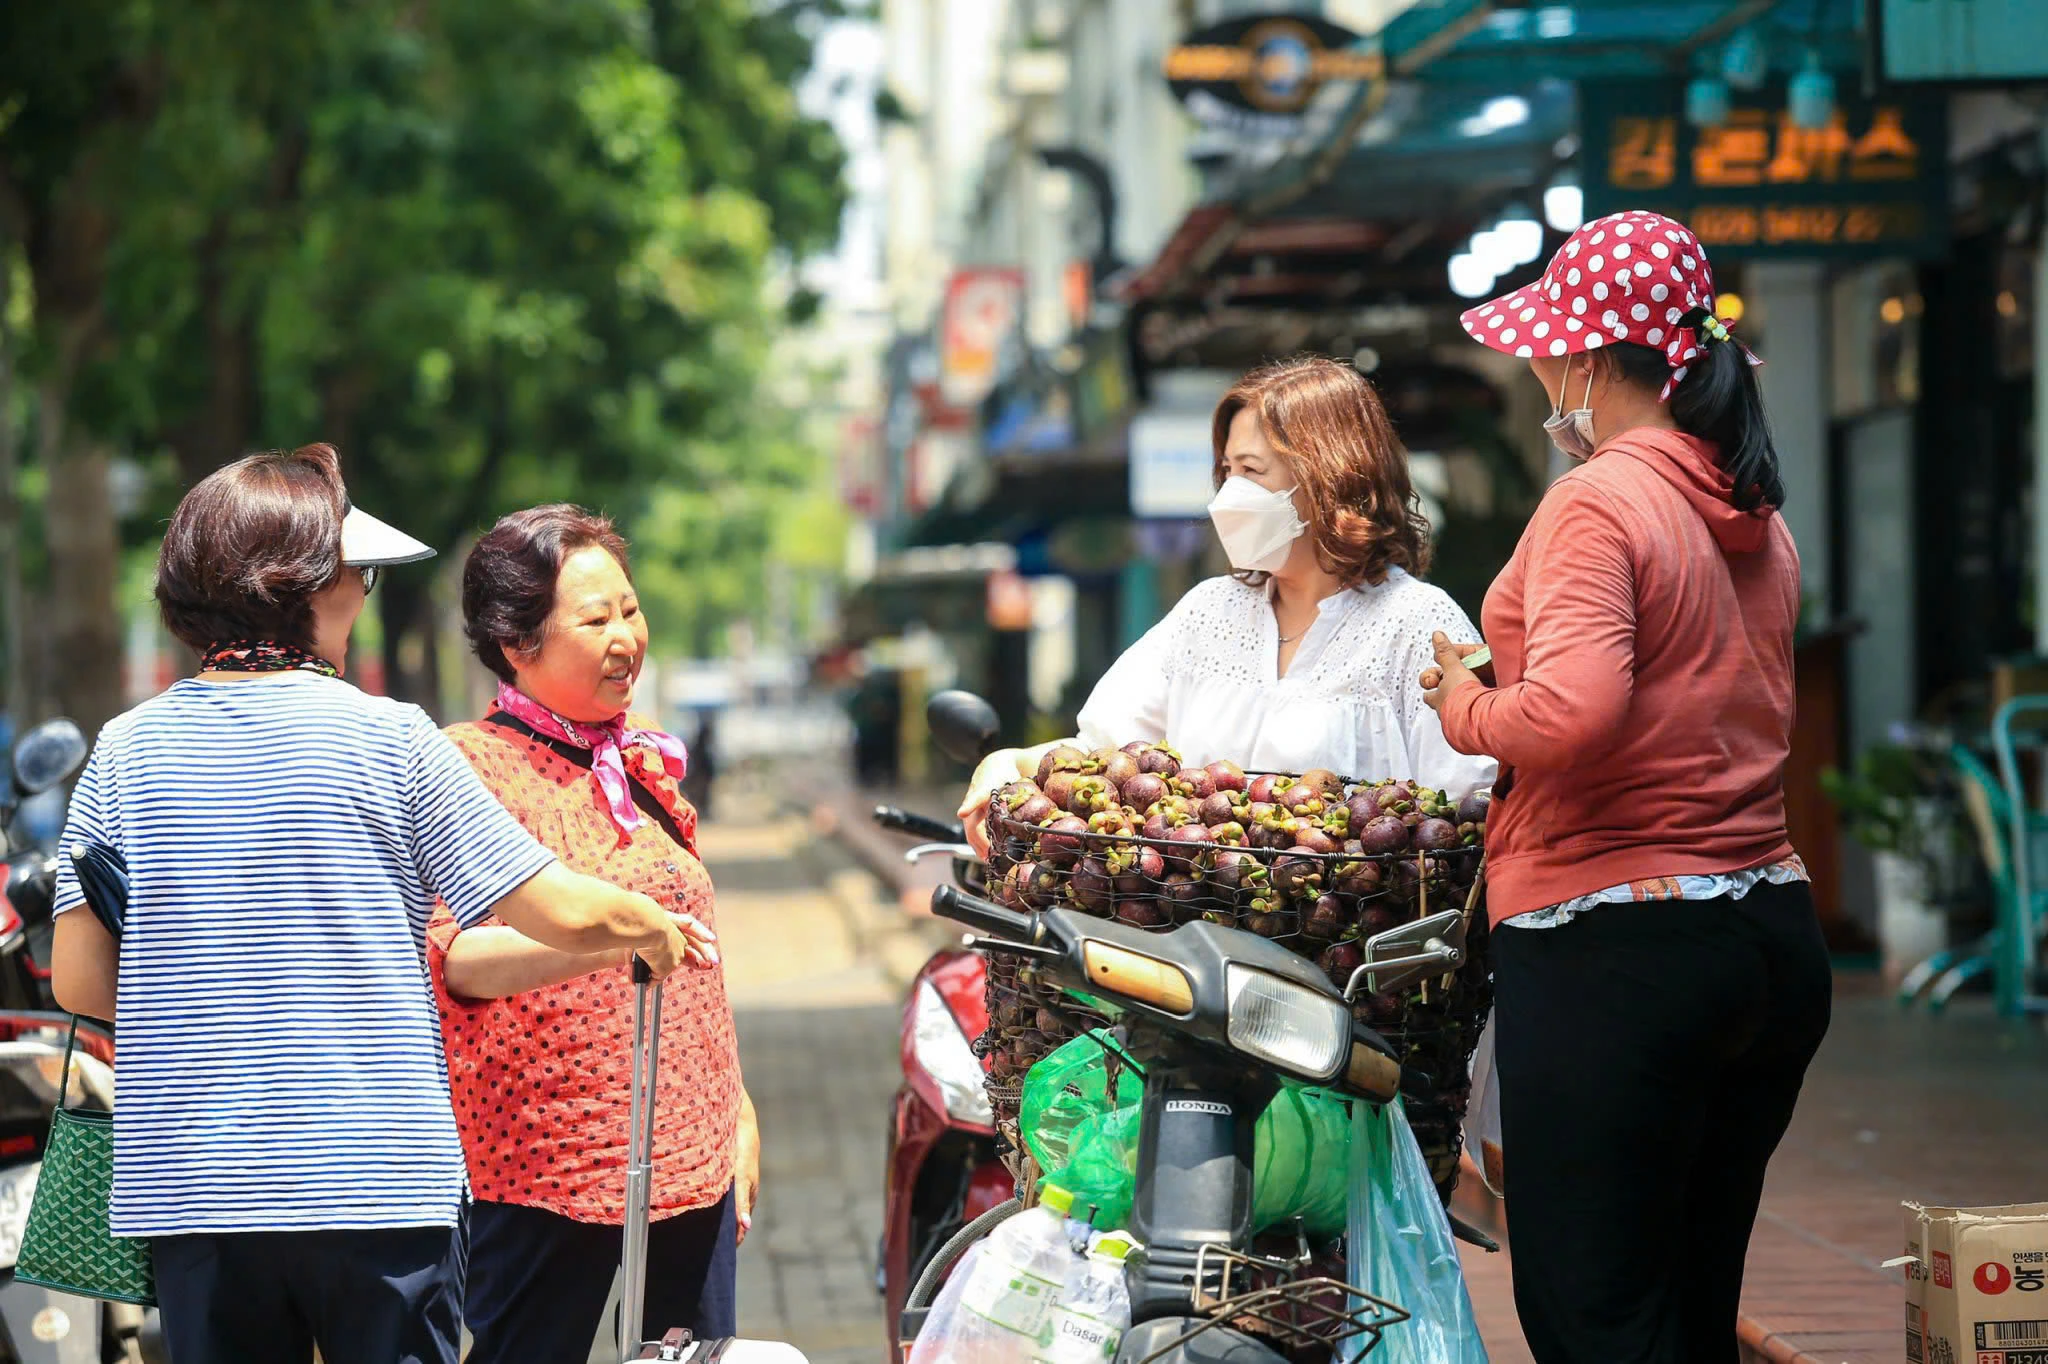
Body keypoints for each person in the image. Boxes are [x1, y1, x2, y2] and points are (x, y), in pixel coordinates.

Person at [45, 445, 712, 1364]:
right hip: (376, 1187)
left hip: (195, 1192)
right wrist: (641, 922)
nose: (363, 590)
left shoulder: (123, 751)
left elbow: (81, 978)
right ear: (307, 586)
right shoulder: (389, 736)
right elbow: (546, 905)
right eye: (353, 570)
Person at [1424, 209, 1830, 1362]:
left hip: (1620, 949)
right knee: (1688, 1302)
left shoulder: (1599, 499)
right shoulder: (1747, 504)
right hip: (1763, 934)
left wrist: (1459, 701)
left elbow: (1569, 712)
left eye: (1552, 349)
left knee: (1593, 1309)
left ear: (1596, 363)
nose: (1544, 373)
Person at [425, 506, 754, 1362]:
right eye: (595, 619)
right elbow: (459, 959)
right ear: (516, 642)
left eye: (631, 611)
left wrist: (738, 1111)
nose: (626, 638)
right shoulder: (472, 765)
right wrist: (609, 941)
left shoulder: (642, 768)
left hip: (690, 1162)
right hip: (545, 1169)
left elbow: (699, 962)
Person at [961, 355, 1493, 848]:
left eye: (1252, 471)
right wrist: (1012, 762)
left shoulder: (1418, 623)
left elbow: (1467, 810)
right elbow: (1101, 752)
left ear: (1330, 478)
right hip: (1188, 937)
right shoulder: (1208, 612)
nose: (1228, 496)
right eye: (1227, 471)